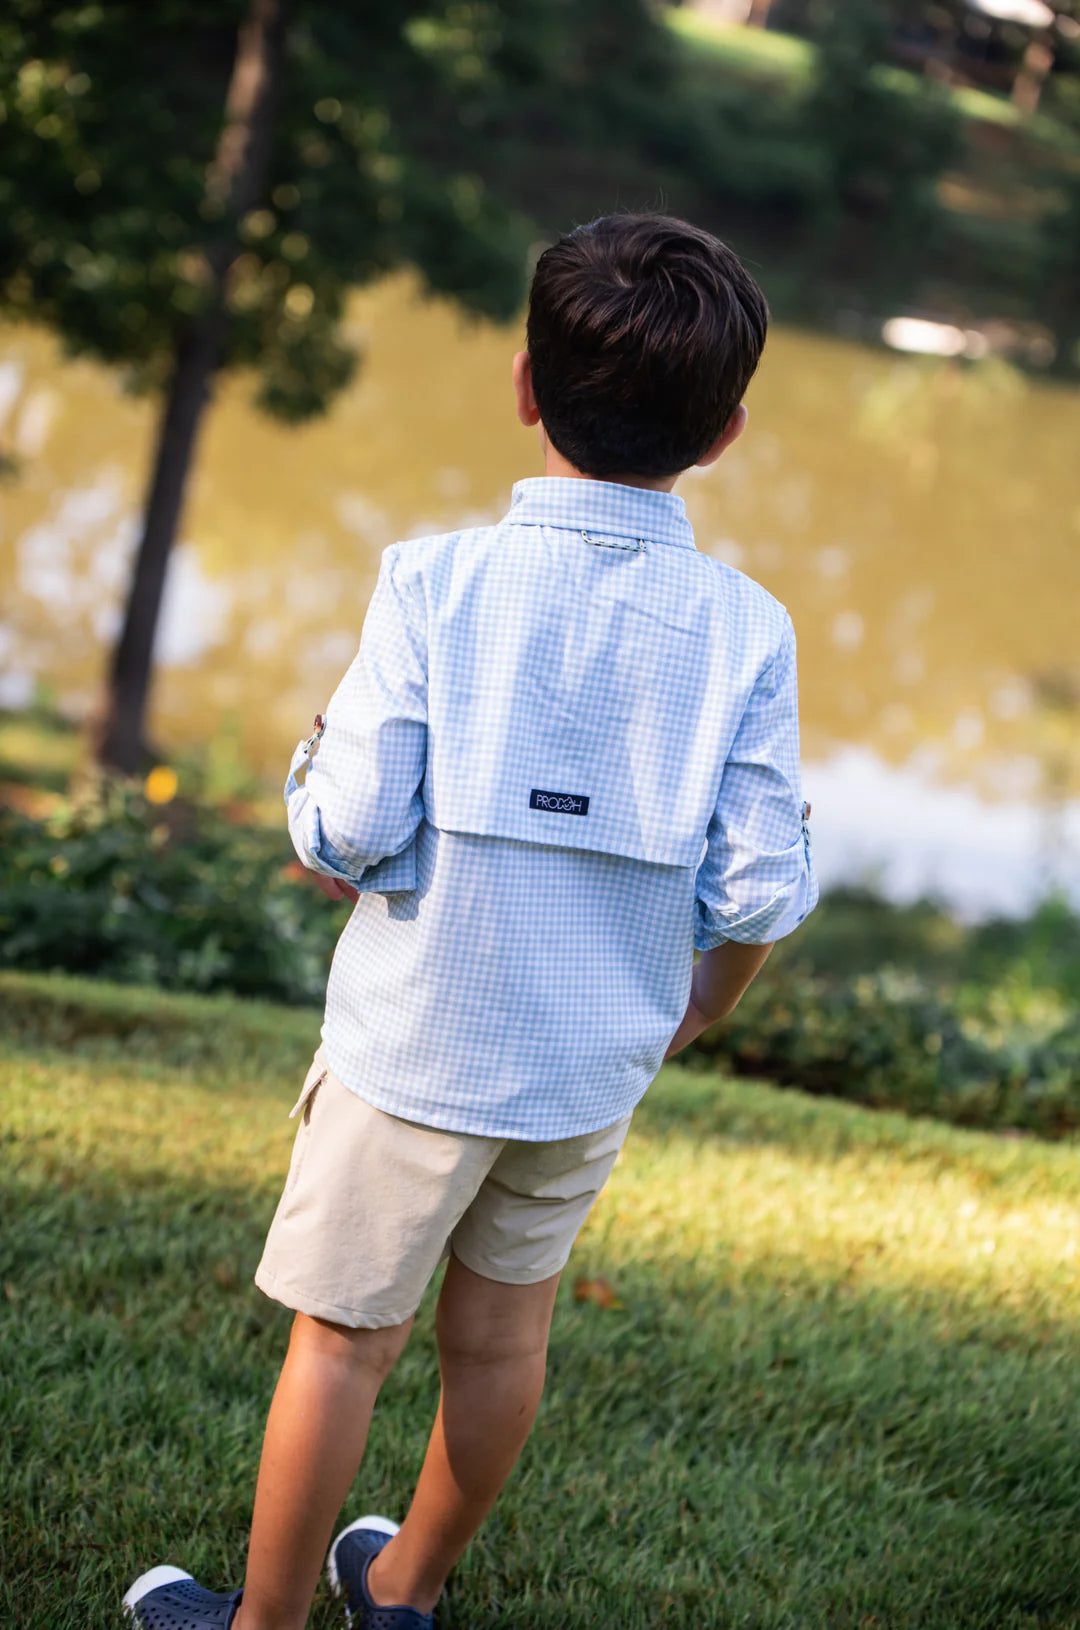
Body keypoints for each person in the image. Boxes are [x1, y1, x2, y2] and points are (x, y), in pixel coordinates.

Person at [123, 212, 817, 1630]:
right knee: (502, 1334)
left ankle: (261, 1626)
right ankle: (405, 1587)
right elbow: (754, 888)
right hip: (587, 1068)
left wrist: (312, 784)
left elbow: (355, 825)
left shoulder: (433, 580)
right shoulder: (749, 628)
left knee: (343, 1342)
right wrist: (704, 1003)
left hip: (415, 1048)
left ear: (522, 385)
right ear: (728, 430)